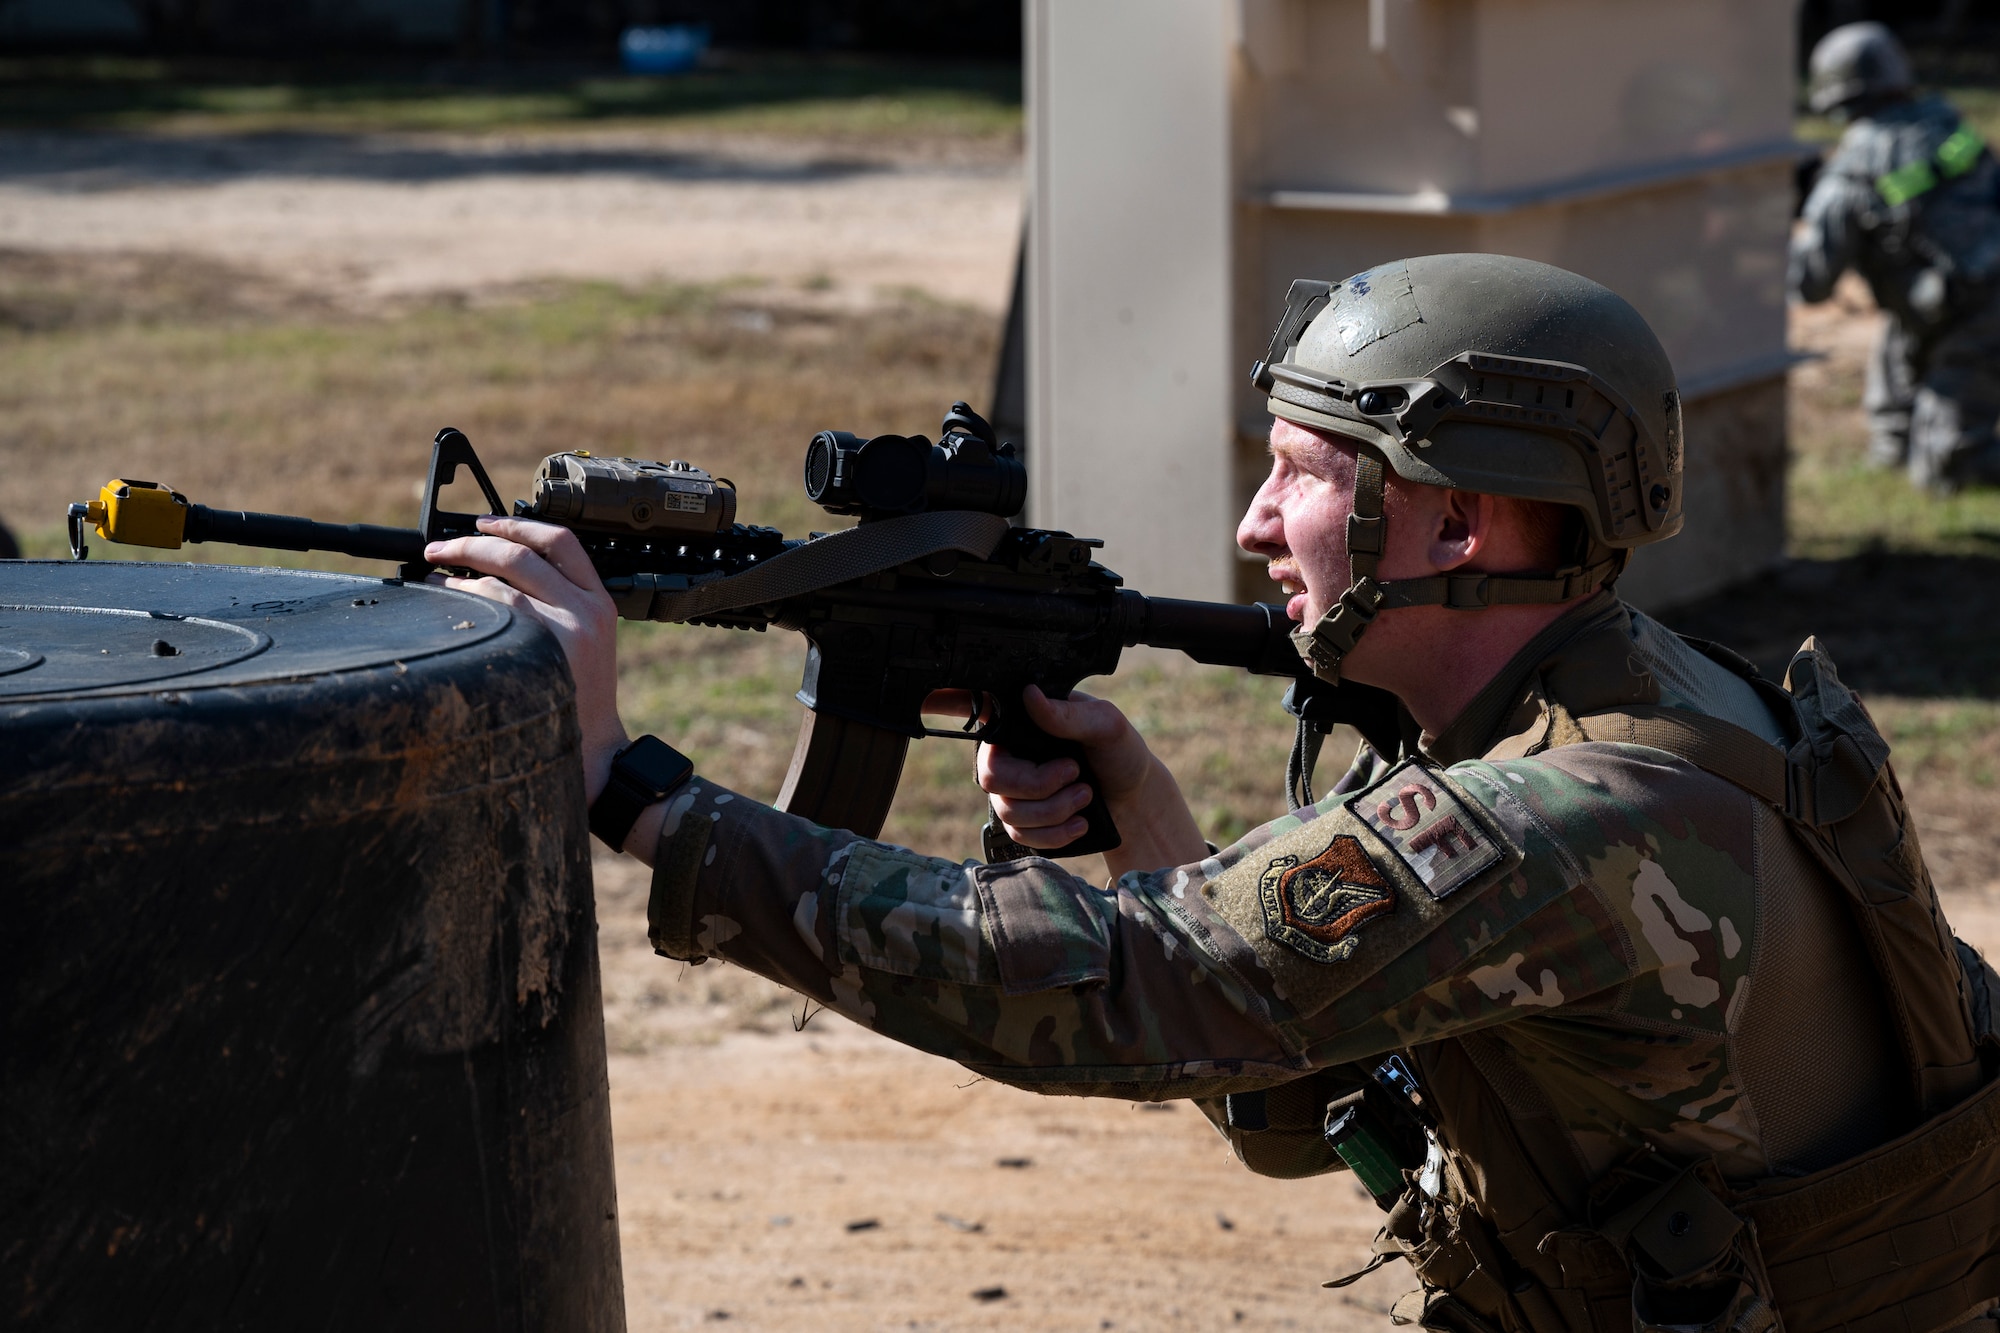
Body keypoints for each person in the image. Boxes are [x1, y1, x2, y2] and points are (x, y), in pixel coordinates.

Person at [430, 253, 2000, 1331]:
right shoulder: (1650, 687)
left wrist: (630, 784)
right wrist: (1159, 833)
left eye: (1308, 472)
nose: (1256, 523)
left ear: (1455, 525)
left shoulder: (1565, 821)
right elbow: (1305, 1110)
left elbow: (1112, 989)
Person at [1791, 21, 2000, 493]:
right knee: (1898, 362)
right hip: (1962, 302)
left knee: (1949, 470)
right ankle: (1892, 458)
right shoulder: (1950, 125)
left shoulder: (1851, 173)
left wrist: (1806, 215)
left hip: (1970, 319)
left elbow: (1810, 283)